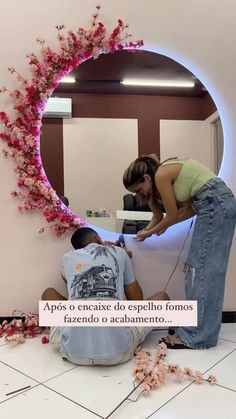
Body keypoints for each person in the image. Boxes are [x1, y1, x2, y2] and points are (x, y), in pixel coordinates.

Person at [123, 155, 236, 349]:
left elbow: (174, 215)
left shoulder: (161, 175)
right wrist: (148, 231)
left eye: (138, 189)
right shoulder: (157, 189)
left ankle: (196, 336)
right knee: (205, 272)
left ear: (146, 178)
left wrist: (152, 231)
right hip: (214, 204)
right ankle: (202, 333)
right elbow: (164, 215)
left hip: (214, 204)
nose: (138, 194)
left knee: (200, 271)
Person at [42, 227, 169, 366]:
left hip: (72, 352)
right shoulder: (119, 253)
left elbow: (73, 291)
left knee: (48, 293)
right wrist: (124, 261)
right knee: (161, 297)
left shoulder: (67, 259)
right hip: (120, 352)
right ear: (97, 239)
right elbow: (136, 300)